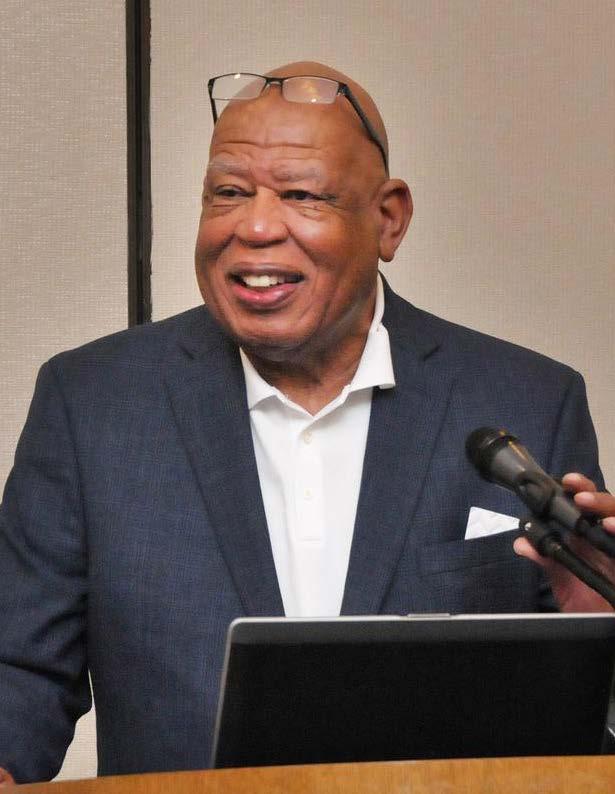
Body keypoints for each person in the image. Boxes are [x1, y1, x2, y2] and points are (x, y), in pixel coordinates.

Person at [1, 61, 614, 785]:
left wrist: (603, 627)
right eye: (228, 193)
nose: (255, 227)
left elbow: (575, 716)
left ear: (388, 219)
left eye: (301, 195)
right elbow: (19, 669)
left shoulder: (526, 401)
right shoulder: (93, 402)